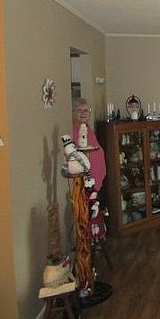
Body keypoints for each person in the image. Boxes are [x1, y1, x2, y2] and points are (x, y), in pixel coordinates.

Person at [72, 98, 107, 245]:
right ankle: (86, 243)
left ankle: (95, 237)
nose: (83, 113)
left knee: (95, 211)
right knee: (85, 212)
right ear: (73, 112)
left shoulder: (88, 129)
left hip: (95, 181)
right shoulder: (74, 131)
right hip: (84, 182)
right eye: (79, 110)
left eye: (85, 110)